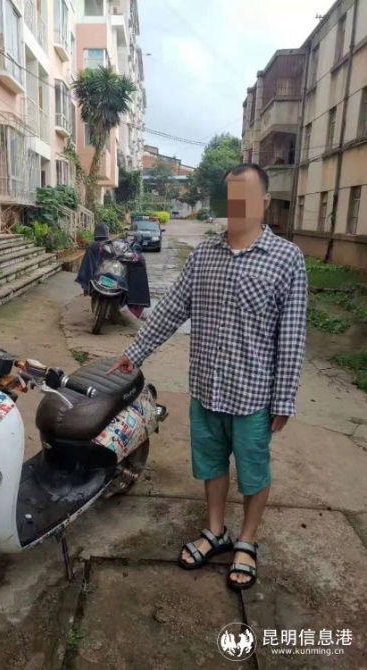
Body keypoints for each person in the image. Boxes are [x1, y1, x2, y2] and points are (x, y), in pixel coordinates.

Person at [108, 163, 308, 591]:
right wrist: (134, 354)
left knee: (254, 471)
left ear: (264, 202)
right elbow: (171, 309)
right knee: (211, 464)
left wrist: (284, 398)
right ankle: (216, 531)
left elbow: (291, 336)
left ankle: (247, 541)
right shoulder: (204, 255)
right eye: (231, 197)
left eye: (246, 197)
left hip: (254, 395)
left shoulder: (287, 259)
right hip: (206, 388)